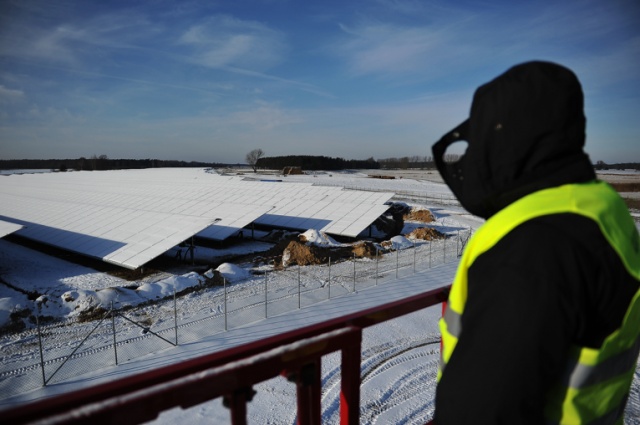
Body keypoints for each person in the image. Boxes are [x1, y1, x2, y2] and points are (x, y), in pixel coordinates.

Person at [432, 61, 640, 424]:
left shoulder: (533, 250)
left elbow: (481, 411)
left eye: (482, 136)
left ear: (508, 139)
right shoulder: (596, 209)